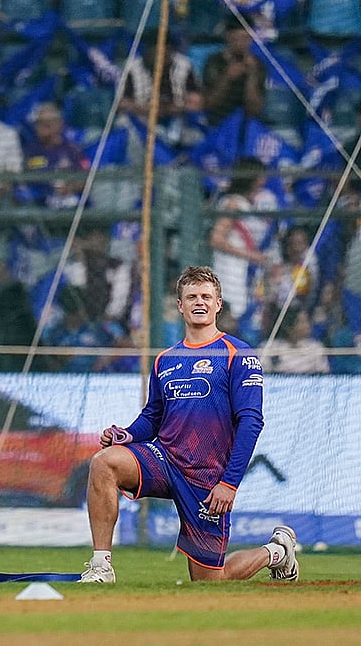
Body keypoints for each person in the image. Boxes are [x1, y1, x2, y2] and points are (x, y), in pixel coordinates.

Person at [79, 265, 298, 583]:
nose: (200, 302)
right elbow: (153, 417)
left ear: (218, 304)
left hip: (207, 478)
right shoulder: (165, 359)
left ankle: (276, 552)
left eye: (206, 296)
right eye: (191, 296)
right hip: (164, 460)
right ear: (180, 305)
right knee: (104, 463)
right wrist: (127, 434)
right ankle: (101, 567)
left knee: (210, 581)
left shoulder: (238, 355)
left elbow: (251, 422)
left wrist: (230, 483)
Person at [209, 157, 282, 324]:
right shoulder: (233, 204)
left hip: (250, 270)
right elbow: (216, 239)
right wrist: (250, 255)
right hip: (231, 269)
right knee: (231, 318)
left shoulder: (255, 203)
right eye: (261, 176)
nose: (264, 180)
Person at [20, 102, 91, 209]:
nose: (42, 127)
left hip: (70, 204)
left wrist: (71, 186)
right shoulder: (29, 151)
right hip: (39, 205)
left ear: (59, 124)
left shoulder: (73, 150)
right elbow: (22, 181)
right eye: (39, 123)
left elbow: (85, 177)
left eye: (47, 123)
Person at [202, 17, 266, 127]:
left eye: (246, 39)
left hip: (246, 125)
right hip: (217, 123)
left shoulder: (257, 65)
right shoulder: (214, 62)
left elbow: (255, 109)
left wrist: (252, 76)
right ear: (228, 37)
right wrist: (227, 76)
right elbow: (209, 103)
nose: (242, 44)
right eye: (237, 38)